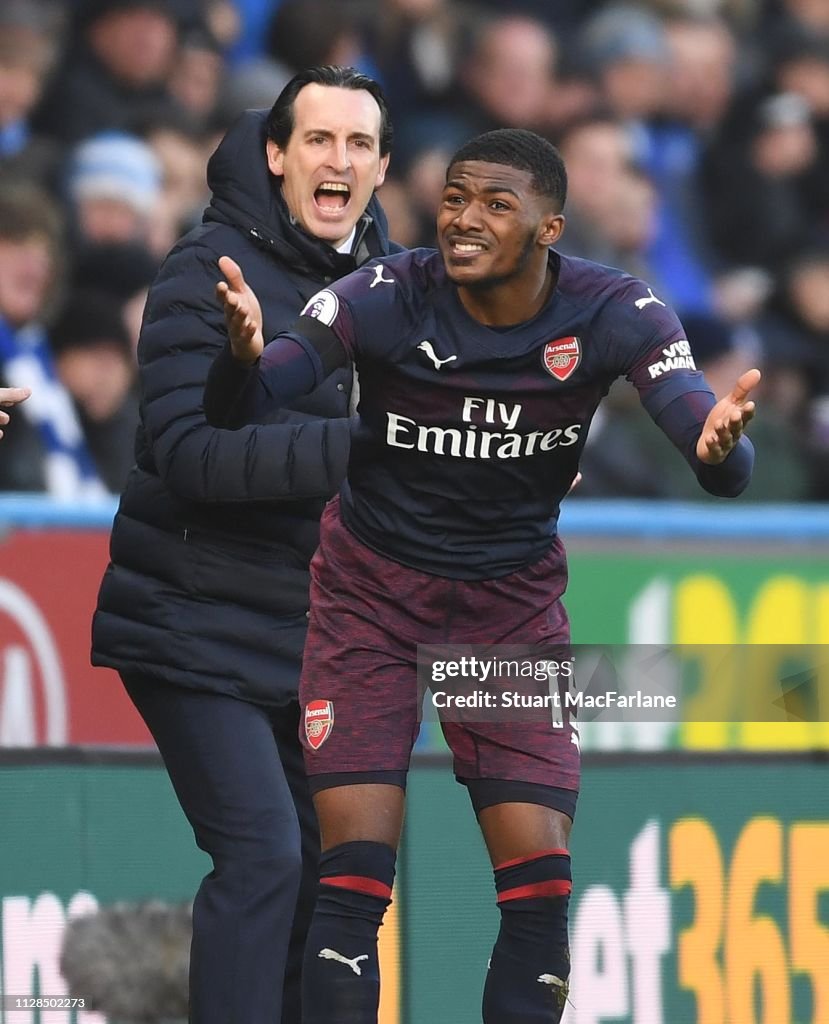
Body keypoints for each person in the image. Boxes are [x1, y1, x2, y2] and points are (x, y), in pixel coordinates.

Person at [209, 127, 758, 1023]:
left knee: (538, 894)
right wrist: (242, 359)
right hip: (369, 602)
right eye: (456, 197)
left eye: (496, 205)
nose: (464, 219)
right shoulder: (382, 294)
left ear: (550, 229)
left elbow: (712, 451)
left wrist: (715, 447)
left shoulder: (617, 311)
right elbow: (259, 390)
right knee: (351, 887)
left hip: (507, 611)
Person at [91, 65, 397, 1024]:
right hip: (189, 620)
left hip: (313, 640)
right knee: (263, 852)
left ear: (383, 168)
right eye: (316, 140)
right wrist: (359, 448)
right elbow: (188, 456)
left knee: (336, 881)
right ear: (275, 154)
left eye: (357, 144)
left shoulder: (393, 289)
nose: (336, 160)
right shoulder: (203, 271)